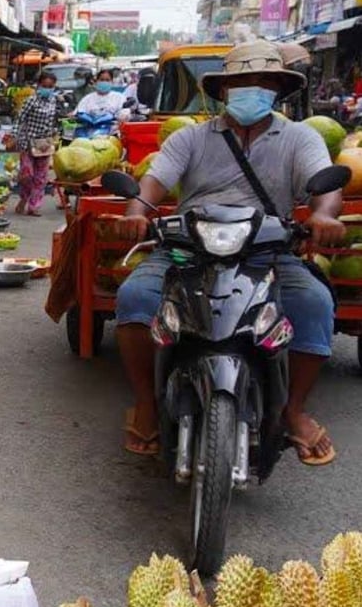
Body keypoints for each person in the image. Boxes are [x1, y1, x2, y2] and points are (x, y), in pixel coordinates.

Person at [113, 40, 344, 463]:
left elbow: (325, 187)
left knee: (314, 302)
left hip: (267, 248)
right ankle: (146, 402)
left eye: (263, 81)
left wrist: (325, 216)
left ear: (278, 89)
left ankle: (294, 411)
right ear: (223, 91)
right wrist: (136, 212)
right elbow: (153, 184)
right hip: (188, 247)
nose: (252, 88)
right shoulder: (190, 138)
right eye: (242, 82)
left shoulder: (300, 138)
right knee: (134, 298)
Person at [15, 71, 61, 217]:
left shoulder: (53, 101)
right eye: (44, 85)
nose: (47, 89)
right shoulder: (31, 100)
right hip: (28, 142)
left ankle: (34, 206)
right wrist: (14, 136)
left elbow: (52, 121)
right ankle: (24, 198)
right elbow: (20, 119)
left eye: (50, 86)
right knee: (27, 175)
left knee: (41, 177)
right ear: (39, 85)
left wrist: (54, 137)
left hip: (44, 143)